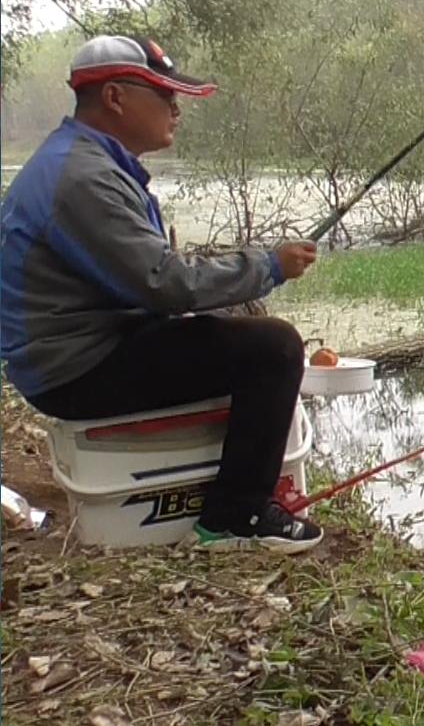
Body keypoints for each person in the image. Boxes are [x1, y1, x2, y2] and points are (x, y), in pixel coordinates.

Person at [0, 34, 324, 554]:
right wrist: (267, 265)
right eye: (165, 95)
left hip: (77, 350)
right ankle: (235, 516)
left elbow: (149, 276)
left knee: (233, 336)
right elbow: (166, 284)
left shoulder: (84, 160)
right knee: (274, 348)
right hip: (74, 368)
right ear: (114, 97)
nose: (176, 108)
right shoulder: (83, 178)